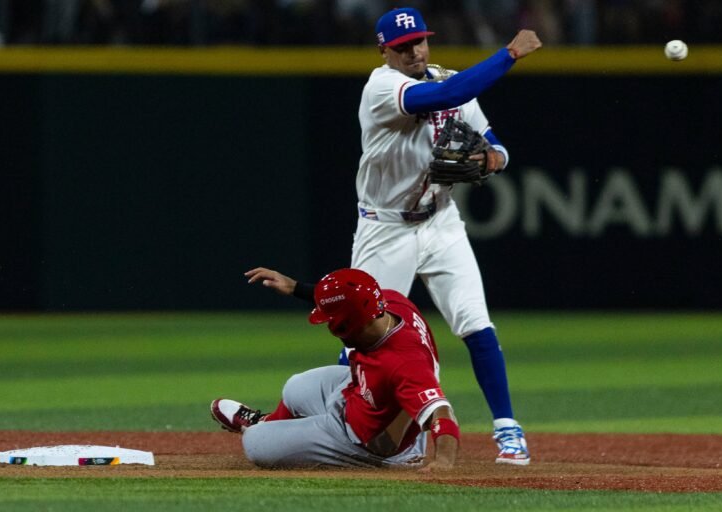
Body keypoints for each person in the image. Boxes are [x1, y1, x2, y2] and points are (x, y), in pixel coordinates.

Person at [350, 7, 541, 465]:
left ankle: (508, 431)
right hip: (385, 228)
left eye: (419, 41)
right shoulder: (383, 87)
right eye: (402, 46)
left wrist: (495, 158)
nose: (414, 51)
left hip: (441, 221)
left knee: (476, 324)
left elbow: (494, 141)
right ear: (384, 51)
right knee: (362, 339)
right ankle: (355, 431)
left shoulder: (446, 76)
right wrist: (509, 54)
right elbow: (449, 94)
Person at [210, 267, 459, 471]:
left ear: (350, 322)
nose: (328, 324)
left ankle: (262, 429)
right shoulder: (391, 302)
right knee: (296, 385)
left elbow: (441, 411)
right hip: (363, 396)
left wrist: (444, 462)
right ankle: (269, 422)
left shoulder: (403, 362)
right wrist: (296, 287)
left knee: (255, 444)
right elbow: (345, 298)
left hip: (369, 443)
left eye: (331, 320)